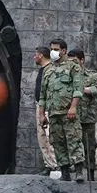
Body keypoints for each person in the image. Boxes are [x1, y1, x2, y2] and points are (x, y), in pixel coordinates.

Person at [38, 38, 85, 182]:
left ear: (63, 51)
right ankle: (65, 173)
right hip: (53, 114)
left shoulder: (73, 67)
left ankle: (78, 172)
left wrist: (73, 107)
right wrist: (41, 115)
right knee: (57, 143)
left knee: (74, 141)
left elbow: (78, 89)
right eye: (52, 49)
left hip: (68, 112)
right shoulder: (48, 71)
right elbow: (43, 96)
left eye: (56, 49)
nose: (53, 52)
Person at [68, 48, 97, 181]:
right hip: (73, 117)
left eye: (75, 61)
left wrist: (81, 89)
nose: (73, 65)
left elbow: (96, 89)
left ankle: (91, 174)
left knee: (90, 147)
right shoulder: (68, 75)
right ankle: (78, 172)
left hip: (87, 117)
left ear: (82, 60)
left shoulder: (91, 75)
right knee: (75, 145)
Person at [33, 46, 57, 176]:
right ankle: (48, 165)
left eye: (36, 54)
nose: (34, 57)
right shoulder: (42, 70)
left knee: (49, 136)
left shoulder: (50, 70)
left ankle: (55, 165)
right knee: (41, 137)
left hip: (48, 107)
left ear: (41, 55)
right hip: (40, 106)